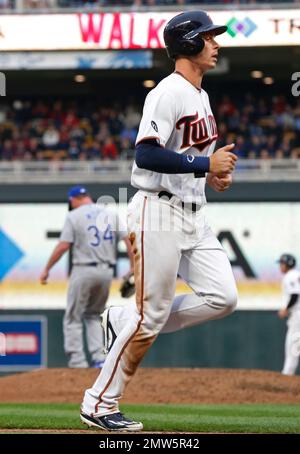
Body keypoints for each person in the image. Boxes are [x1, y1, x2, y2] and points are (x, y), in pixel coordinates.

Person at [80, 10, 238, 431]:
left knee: (223, 298)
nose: (216, 44)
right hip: (158, 211)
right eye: (208, 37)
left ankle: (121, 319)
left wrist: (213, 175)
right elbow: (146, 153)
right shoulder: (166, 93)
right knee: (149, 317)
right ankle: (99, 403)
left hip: (193, 214)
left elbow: (187, 157)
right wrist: (206, 163)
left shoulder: (201, 96)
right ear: (188, 44)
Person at [40, 185, 133, 368]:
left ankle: (77, 362)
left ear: (73, 200)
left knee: (73, 317)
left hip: (83, 270)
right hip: (106, 272)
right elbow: (128, 240)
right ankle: (99, 358)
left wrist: (47, 269)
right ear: (87, 197)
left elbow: (63, 246)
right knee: (94, 315)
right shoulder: (110, 214)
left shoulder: (74, 216)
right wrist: (132, 267)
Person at [277, 254, 300, 375]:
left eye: (282, 264)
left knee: (292, 345)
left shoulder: (290, 276)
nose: (280, 266)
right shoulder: (296, 275)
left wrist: (286, 309)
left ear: (288, 264)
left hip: (297, 315)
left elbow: (295, 294)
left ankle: (287, 374)